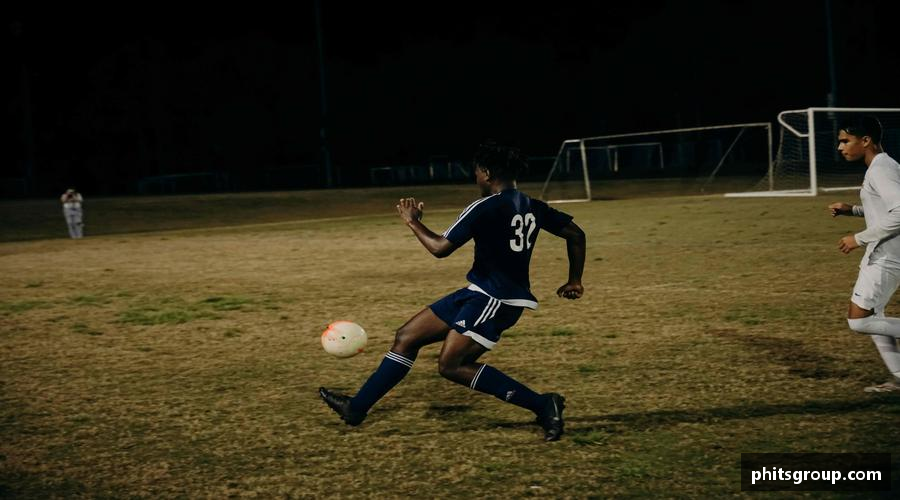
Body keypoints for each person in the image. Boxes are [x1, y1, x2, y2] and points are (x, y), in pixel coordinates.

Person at [319, 142, 586, 441]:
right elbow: (576, 235)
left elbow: (440, 248)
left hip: (495, 299)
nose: (476, 178)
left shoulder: (484, 206)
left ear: (487, 173)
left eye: (477, 172)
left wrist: (412, 222)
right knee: (407, 336)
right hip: (479, 292)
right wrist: (574, 280)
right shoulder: (533, 206)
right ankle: (356, 408)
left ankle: (542, 404)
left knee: (451, 365)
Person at [828, 116, 900, 393]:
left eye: (845, 141)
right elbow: (884, 208)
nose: (840, 147)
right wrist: (854, 210)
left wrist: (858, 238)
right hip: (888, 252)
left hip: (887, 255)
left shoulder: (880, 169)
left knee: (860, 321)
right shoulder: (884, 166)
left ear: (866, 140)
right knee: (874, 318)